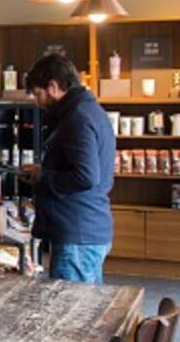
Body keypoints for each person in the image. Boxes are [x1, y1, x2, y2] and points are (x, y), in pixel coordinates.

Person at [19, 53, 114, 284]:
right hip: (87, 228)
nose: (37, 102)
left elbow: (85, 176)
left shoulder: (77, 118)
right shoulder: (89, 110)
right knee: (86, 302)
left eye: (38, 94)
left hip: (77, 231)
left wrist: (43, 176)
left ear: (53, 87)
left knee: (70, 304)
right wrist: (44, 170)